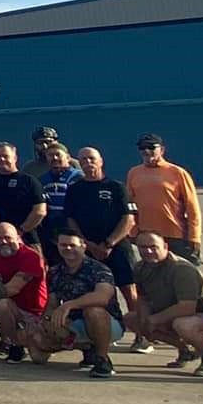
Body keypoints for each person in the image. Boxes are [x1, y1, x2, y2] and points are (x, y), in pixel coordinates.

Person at [63, 146, 144, 349]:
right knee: (94, 293)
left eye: (91, 158)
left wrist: (109, 243)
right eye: (83, 160)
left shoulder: (117, 187)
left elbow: (129, 219)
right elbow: (70, 220)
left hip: (117, 247)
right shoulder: (74, 189)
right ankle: (101, 333)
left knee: (130, 291)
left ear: (101, 161)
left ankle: (142, 336)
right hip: (87, 250)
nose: (87, 163)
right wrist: (86, 244)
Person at [19, 231, 122, 378]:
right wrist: (46, 322)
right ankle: (85, 346)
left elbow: (103, 297)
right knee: (36, 351)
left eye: (72, 245)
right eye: (63, 245)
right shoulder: (55, 272)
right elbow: (52, 302)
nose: (67, 248)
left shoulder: (99, 268)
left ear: (83, 246)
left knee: (93, 311)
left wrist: (69, 305)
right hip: (73, 323)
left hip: (106, 323)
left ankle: (102, 359)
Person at [130, 228, 203, 376]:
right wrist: (144, 321)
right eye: (143, 247)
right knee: (132, 320)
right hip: (173, 313)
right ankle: (186, 351)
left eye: (153, 247)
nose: (148, 251)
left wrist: (155, 319)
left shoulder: (181, 269)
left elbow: (187, 308)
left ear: (165, 246)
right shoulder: (140, 267)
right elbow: (143, 297)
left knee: (182, 324)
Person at [127, 134, 202, 266]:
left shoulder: (177, 172)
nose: (146, 151)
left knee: (181, 274)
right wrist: (133, 231)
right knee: (152, 275)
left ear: (161, 150)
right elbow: (130, 205)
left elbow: (192, 207)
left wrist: (194, 236)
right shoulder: (134, 173)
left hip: (175, 235)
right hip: (147, 235)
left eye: (151, 147)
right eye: (142, 148)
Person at [0, 223, 47, 363]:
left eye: (8, 237)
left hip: (35, 312)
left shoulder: (30, 256)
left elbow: (13, 289)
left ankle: (38, 339)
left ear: (18, 237)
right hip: (12, 307)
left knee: (39, 359)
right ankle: (14, 345)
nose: (3, 242)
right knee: (1, 304)